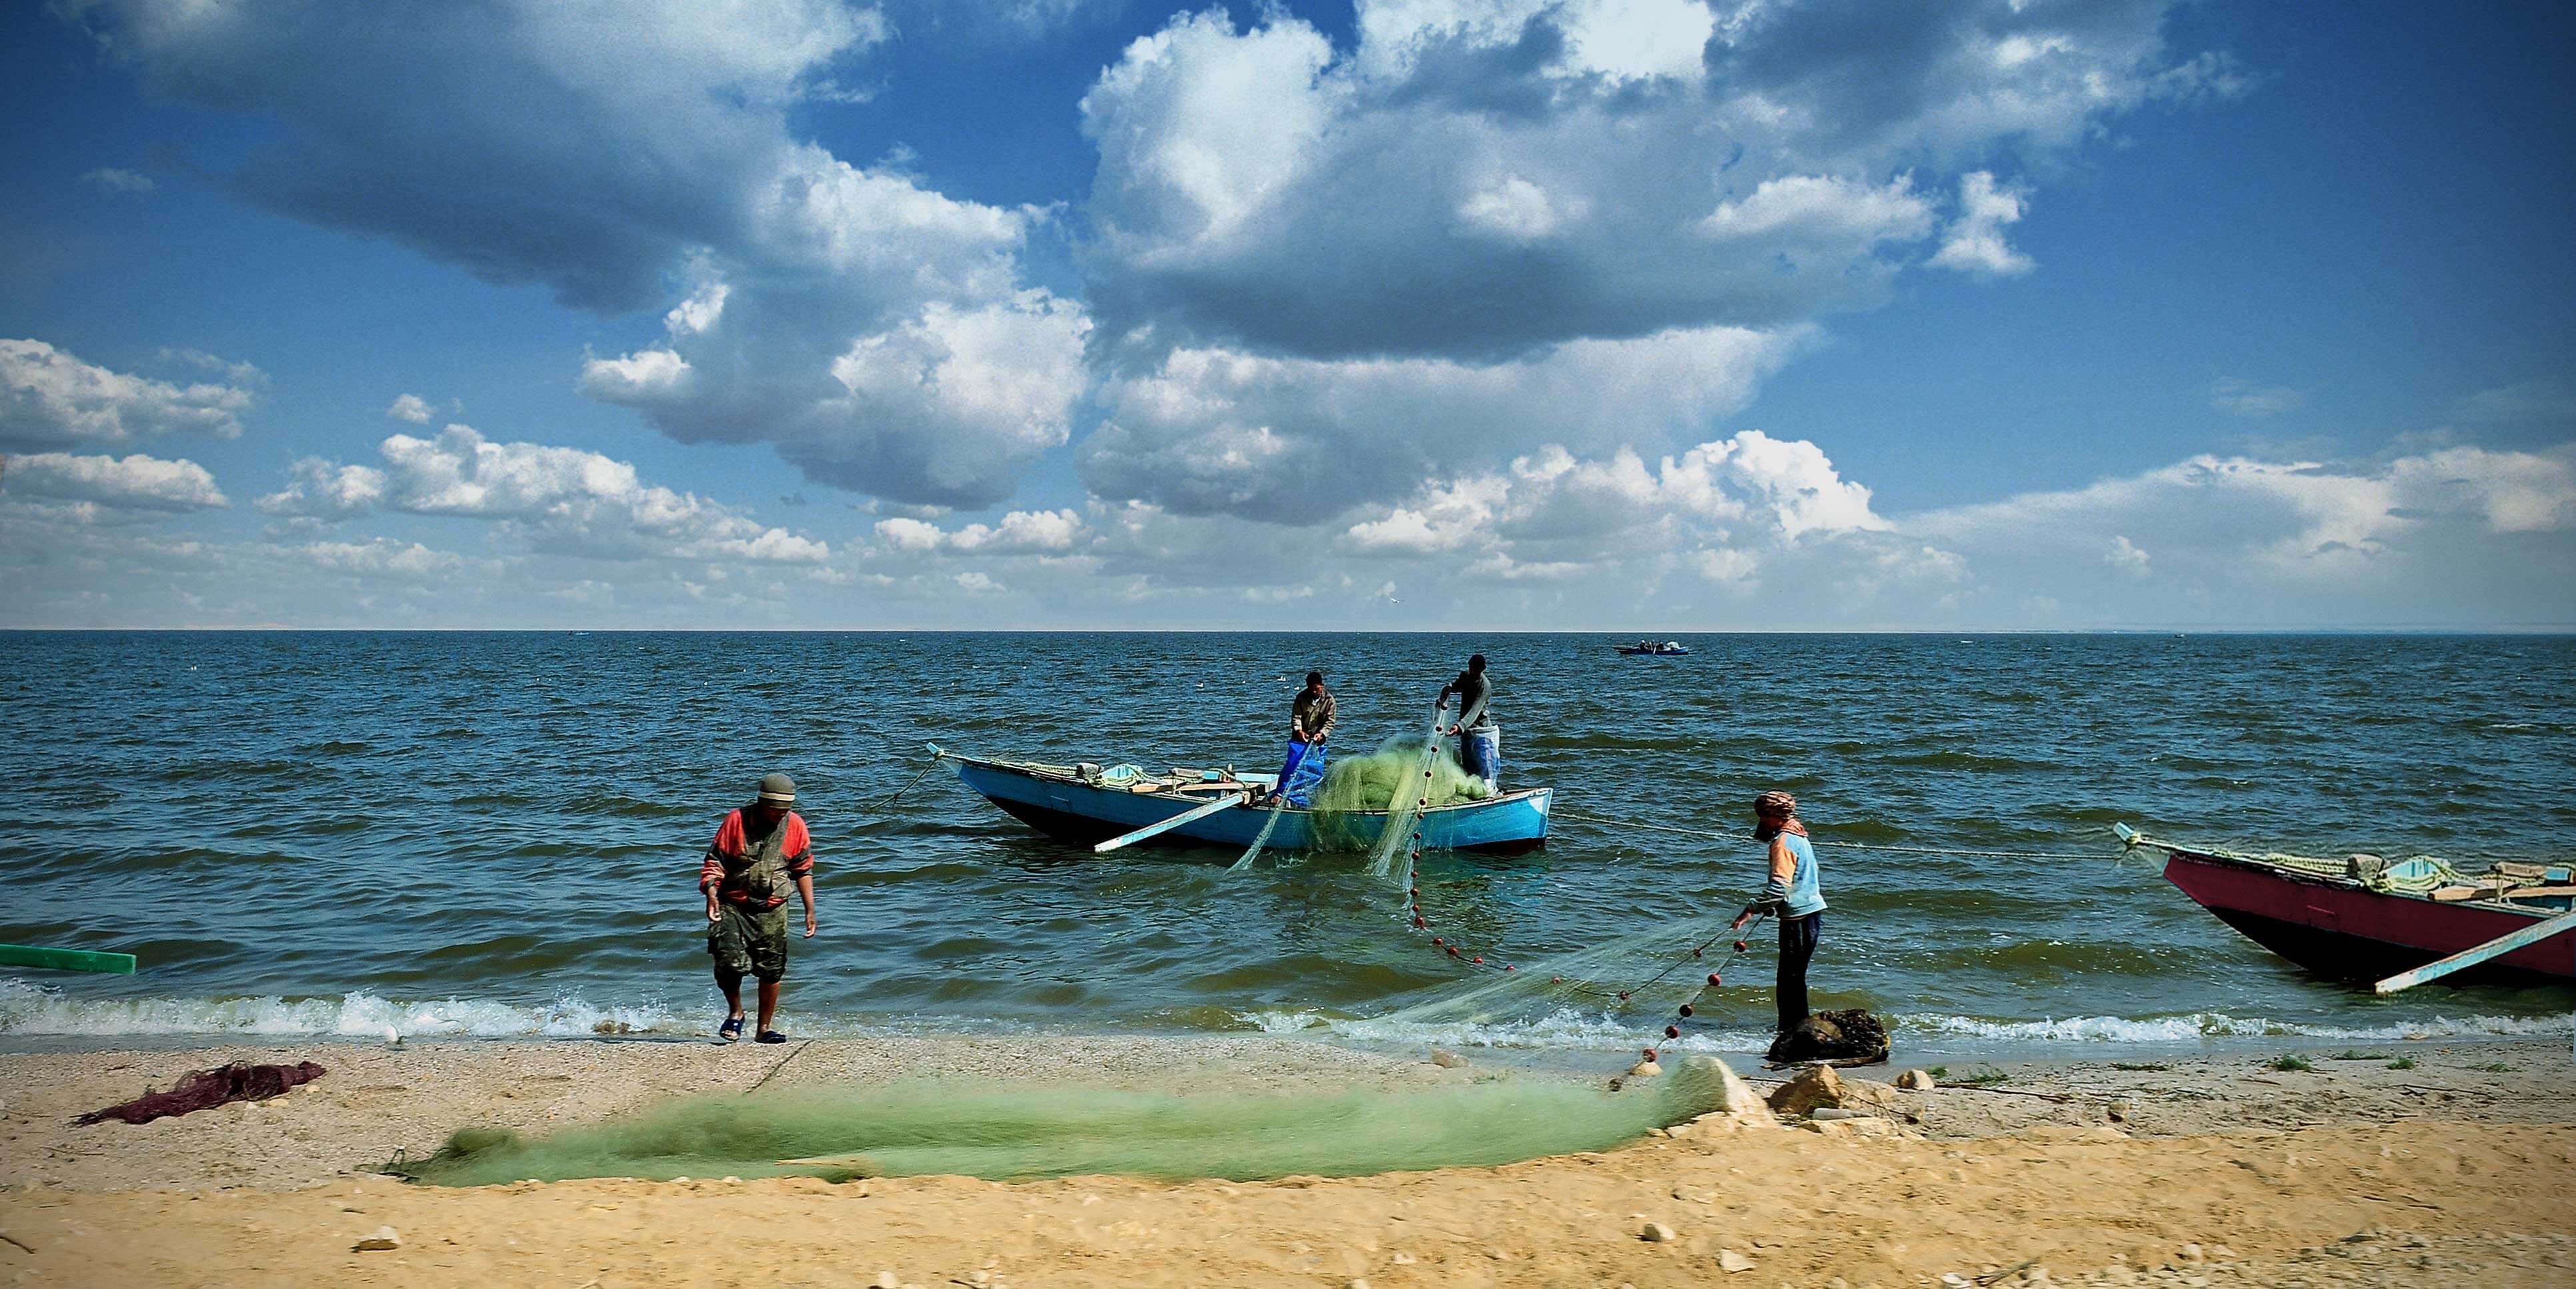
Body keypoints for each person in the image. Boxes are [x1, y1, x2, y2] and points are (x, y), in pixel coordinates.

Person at [698, 771, 817, 1043]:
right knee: (727, 963)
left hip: (773, 907)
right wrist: (712, 894)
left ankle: (764, 1029)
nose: (779, 815)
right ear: (762, 803)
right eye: (775, 809)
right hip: (733, 904)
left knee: (772, 969)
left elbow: (803, 869)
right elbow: (715, 862)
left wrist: (810, 910)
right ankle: (736, 1012)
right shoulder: (736, 821)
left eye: (785, 810)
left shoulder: (796, 826)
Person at [1730, 791, 1827, 1035]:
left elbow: (1779, 887)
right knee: (1794, 977)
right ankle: (1797, 1028)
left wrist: (1750, 910)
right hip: (1811, 912)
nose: (1761, 821)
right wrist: (1774, 904)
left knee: (1789, 980)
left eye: (1764, 816)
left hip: (1799, 918)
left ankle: (1791, 1032)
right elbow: (1797, 878)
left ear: (1776, 816)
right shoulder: (1798, 834)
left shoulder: (1783, 842)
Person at [1435, 653, 1500, 791]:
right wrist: (1449, 688)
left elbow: (1475, 710)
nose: (1472, 671)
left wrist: (1459, 726)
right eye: (1471, 668)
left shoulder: (1485, 686)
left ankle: (1489, 792)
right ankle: (1473, 794)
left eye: (1476, 669)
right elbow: (1458, 686)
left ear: (1482, 669)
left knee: (1485, 768)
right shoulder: (1466, 676)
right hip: (1466, 731)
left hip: (1481, 731)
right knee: (1469, 766)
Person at [1269, 672, 1334, 805]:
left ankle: (1308, 797)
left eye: (1316, 689)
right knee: (1292, 765)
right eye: (1311, 689)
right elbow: (1296, 717)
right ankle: (1281, 793)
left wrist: (1321, 734)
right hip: (1300, 738)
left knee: (1314, 770)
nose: (1314, 692)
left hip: (1317, 740)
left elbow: (1330, 722)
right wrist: (1299, 731)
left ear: (1322, 686)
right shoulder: (1301, 697)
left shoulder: (1329, 700)